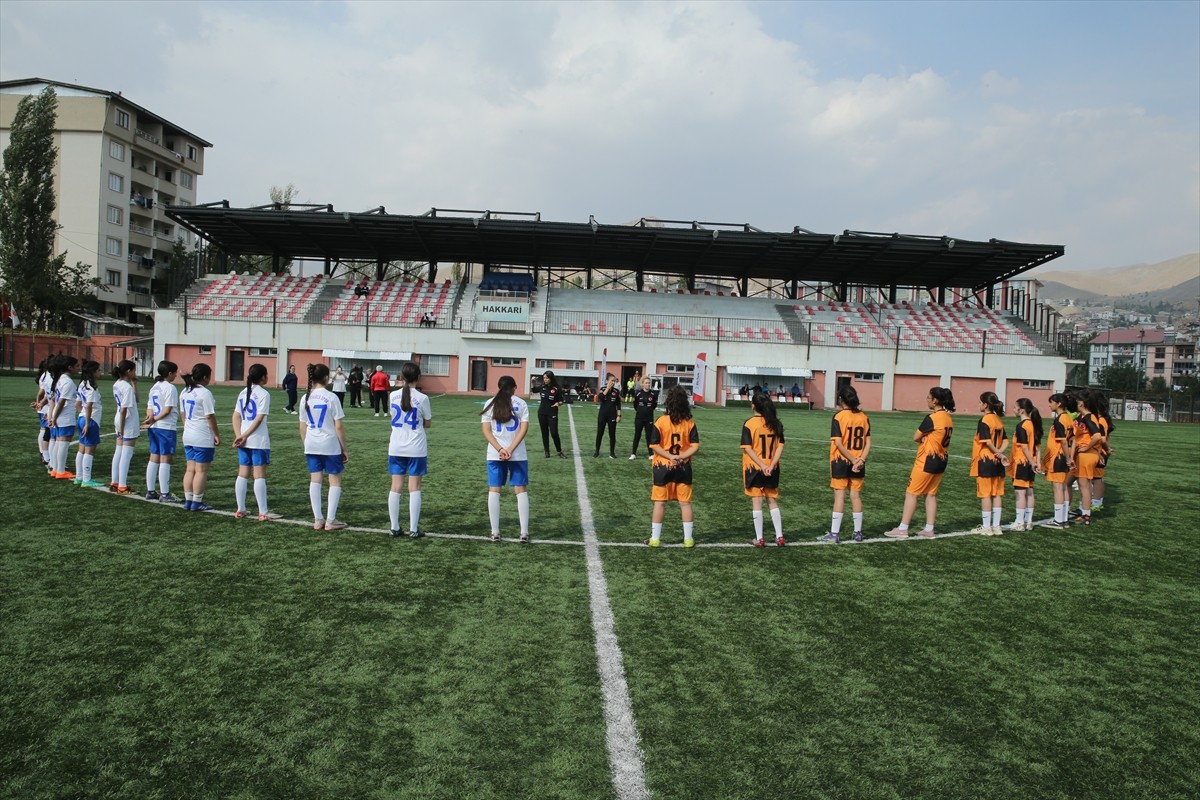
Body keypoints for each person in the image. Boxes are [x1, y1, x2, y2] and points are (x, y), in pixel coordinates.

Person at [884, 387, 956, 539]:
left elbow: (916, 437)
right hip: (942, 460)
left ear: (935, 400)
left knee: (911, 493)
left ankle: (903, 528)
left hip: (927, 460)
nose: (927, 399)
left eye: (929, 397)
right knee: (930, 494)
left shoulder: (933, 418)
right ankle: (929, 529)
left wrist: (924, 438)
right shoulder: (948, 418)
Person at [645, 385, 700, 548]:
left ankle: (655, 539)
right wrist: (681, 457)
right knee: (685, 503)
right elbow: (695, 446)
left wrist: (669, 456)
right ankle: (688, 539)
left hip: (663, 467)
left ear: (668, 402)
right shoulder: (689, 422)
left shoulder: (661, 421)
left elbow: (654, 445)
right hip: (683, 467)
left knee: (660, 503)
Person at [819, 384, 872, 543]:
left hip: (841, 461)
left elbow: (839, 444)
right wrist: (860, 459)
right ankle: (858, 533)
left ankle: (835, 534)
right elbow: (868, 442)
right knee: (855, 496)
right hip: (858, 462)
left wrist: (851, 459)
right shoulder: (864, 417)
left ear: (841, 399)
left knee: (839, 497)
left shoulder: (839, 417)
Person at [300, 363, 350, 531]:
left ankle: (318, 519)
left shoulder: (305, 397)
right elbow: (339, 427)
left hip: (311, 443)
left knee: (315, 479)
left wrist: (306, 443)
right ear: (326, 378)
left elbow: (303, 426)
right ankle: (330, 520)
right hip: (329, 444)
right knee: (334, 480)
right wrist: (345, 448)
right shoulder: (331, 397)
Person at [481, 375, 531, 543]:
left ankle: (495, 532)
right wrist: (510, 449)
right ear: (514, 388)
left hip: (495, 454)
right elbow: (524, 429)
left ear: (499, 386)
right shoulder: (521, 403)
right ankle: (524, 532)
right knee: (520, 490)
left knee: (494, 490)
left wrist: (501, 449)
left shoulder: (490, 403)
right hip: (517, 454)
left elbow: (486, 431)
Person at [387, 362, 432, 538]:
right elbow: (427, 423)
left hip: (396, 446)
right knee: (414, 487)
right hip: (416, 447)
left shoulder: (393, 396)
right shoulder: (422, 398)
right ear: (418, 377)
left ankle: (394, 527)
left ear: (401, 376)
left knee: (396, 487)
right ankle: (413, 529)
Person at [232, 363, 281, 521]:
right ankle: (263, 512)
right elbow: (259, 419)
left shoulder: (243, 392)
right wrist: (245, 435)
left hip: (244, 440)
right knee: (259, 475)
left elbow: (236, 416)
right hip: (257, 440)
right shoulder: (264, 394)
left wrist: (239, 435)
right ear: (262, 377)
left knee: (243, 473)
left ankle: (240, 509)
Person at [742, 392, 786, 547]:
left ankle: (759, 538)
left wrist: (762, 466)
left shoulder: (749, 424)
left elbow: (748, 448)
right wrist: (772, 464)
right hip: (772, 468)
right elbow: (781, 445)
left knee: (757, 501)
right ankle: (780, 536)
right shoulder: (776, 423)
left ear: (754, 406)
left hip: (755, 468)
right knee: (772, 500)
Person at [179, 363, 220, 511]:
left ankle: (188, 500)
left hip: (188, 435)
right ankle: (197, 502)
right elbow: (209, 416)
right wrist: (216, 434)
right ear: (204, 377)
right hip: (202, 435)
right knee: (201, 470)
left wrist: (188, 427)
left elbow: (183, 414)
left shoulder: (185, 391)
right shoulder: (205, 393)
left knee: (190, 469)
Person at [969, 392, 1010, 536]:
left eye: (980, 402)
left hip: (986, 460)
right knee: (997, 494)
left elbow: (987, 441)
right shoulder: (998, 420)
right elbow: (1006, 440)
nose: (979, 405)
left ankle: (987, 527)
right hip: (997, 462)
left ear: (986, 404)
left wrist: (996, 452)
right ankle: (996, 526)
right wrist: (1000, 453)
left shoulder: (985, 420)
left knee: (985, 494)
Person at [142, 360, 181, 503]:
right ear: (169, 373)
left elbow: (150, 407)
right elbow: (167, 409)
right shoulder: (170, 388)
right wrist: (155, 419)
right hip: (165, 427)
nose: (175, 375)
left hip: (154, 428)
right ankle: (165, 493)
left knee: (154, 457)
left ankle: (150, 490)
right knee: (165, 458)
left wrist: (150, 419)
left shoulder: (155, 387)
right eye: (174, 373)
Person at [1039, 393, 1077, 530]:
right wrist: (1071, 457)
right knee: (1064, 486)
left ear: (1058, 403)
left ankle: (1059, 520)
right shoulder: (1068, 419)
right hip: (1063, 457)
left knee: (1058, 488)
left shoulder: (1061, 419)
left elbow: (1064, 441)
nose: (1049, 405)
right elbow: (1073, 440)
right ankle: (1064, 519)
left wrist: (1068, 458)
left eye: (1051, 402)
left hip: (1058, 457)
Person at [1071, 391, 1106, 526]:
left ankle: (1086, 515)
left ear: (1082, 403)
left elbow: (1097, 436)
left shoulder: (1088, 417)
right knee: (1082, 485)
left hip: (1087, 455)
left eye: (1077, 400)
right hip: (1086, 454)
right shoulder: (1083, 417)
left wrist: (1086, 447)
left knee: (1084, 486)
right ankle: (1084, 512)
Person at [1008, 398, 1043, 531]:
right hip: (1030, 462)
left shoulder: (1022, 425)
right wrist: (1036, 462)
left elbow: (1024, 447)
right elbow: (1037, 447)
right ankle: (1028, 521)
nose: (1013, 409)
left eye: (1015, 407)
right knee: (1029, 491)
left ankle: (1019, 522)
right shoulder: (1033, 424)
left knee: (1020, 492)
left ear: (1021, 410)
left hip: (1023, 462)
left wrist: (1032, 462)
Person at [109, 359, 140, 494]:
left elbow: (136, 399)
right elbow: (124, 409)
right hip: (127, 421)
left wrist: (134, 384)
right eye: (134, 370)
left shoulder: (118, 384)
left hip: (121, 420)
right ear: (128, 371)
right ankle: (122, 485)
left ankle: (115, 482)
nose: (135, 372)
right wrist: (122, 429)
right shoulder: (125, 387)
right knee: (126, 454)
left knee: (119, 452)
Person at [46, 355, 79, 480]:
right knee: (63, 444)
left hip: (60, 416)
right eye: (77, 366)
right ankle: (60, 471)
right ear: (69, 367)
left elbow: (56, 400)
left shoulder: (60, 379)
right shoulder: (68, 382)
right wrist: (54, 417)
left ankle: (55, 469)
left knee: (59, 443)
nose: (78, 368)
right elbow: (61, 402)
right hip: (65, 417)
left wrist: (54, 416)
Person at [73, 360, 105, 488]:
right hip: (90, 420)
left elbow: (77, 404)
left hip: (82, 418)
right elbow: (89, 405)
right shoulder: (91, 387)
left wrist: (82, 416)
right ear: (93, 372)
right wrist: (87, 423)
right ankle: (87, 479)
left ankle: (79, 477)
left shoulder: (82, 384)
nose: (100, 372)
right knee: (90, 450)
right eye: (98, 370)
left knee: (81, 449)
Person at [1089, 389, 1115, 511]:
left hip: (1099, 452)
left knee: (1097, 478)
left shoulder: (1101, 420)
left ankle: (1097, 503)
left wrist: (1103, 451)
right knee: (1094, 478)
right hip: (1096, 451)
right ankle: (1094, 502)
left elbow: (1102, 439)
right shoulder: (1098, 419)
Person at [536, 370, 568, 459]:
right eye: (544, 378)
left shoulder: (557, 389)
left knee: (554, 433)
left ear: (551, 378)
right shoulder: (542, 387)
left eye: (546, 378)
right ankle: (547, 451)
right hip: (541, 413)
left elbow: (562, 400)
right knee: (544, 432)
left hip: (552, 413)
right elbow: (534, 389)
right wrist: (532, 382)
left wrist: (558, 403)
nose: (545, 380)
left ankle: (559, 451)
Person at [629, 376, 658, 459]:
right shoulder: (638, 393)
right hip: (639, 418)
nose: (648, 384)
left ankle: (650, 454)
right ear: (642, 384)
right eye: (646, 383)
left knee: (649, 436)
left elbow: (654, 406)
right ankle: (633, 454)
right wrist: (640, 411)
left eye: (649, 383)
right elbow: (635, 405)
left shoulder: (653, 394)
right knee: (637, 435)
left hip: (649, 418)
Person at [594, 373, 622, 458]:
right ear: (607, 381)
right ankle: (597, 452)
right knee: (600, 433)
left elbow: (618, 404)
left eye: (614, 381)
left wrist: (619, 416)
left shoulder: (616, 391)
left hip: (612, 415)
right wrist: (607, 389)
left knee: (612, 434)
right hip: (602, 415)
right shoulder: (603, 389)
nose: (613, 382)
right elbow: (600, 398)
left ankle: (612, 453)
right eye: (611, 381)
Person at [32, 357, 53, 472]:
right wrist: (40, 405)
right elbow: (41, 393)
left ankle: (43, 452)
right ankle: (44, 453)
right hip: (46, 407)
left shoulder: (45, 375)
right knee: (45, 430)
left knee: (44, 430)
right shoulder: (47, 376)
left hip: (45, 407)